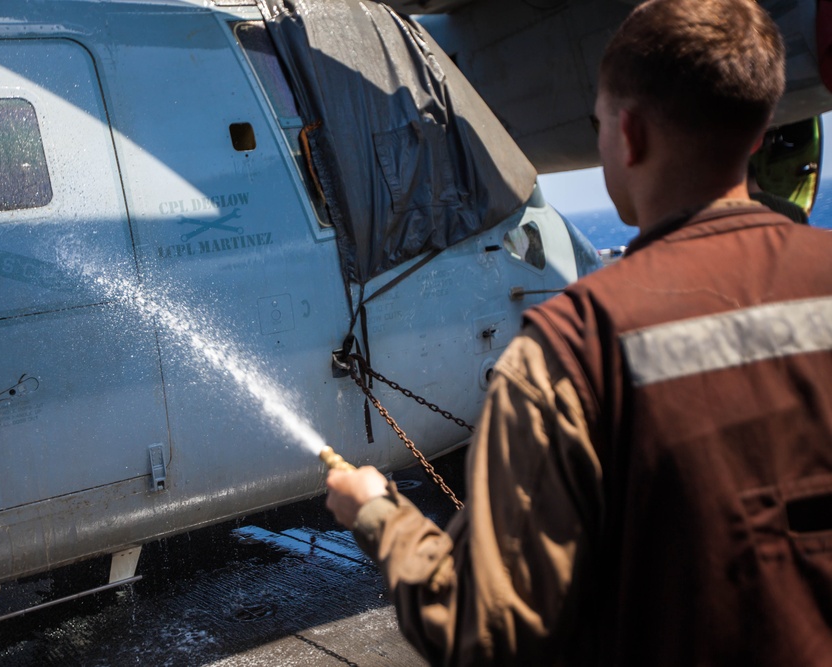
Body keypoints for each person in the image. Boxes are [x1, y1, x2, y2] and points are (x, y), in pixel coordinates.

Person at [324, 0, 832, 665]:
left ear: (629, 135)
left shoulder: (572, 345)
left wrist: (375, 513)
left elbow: (484, 626)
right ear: (763, 133)